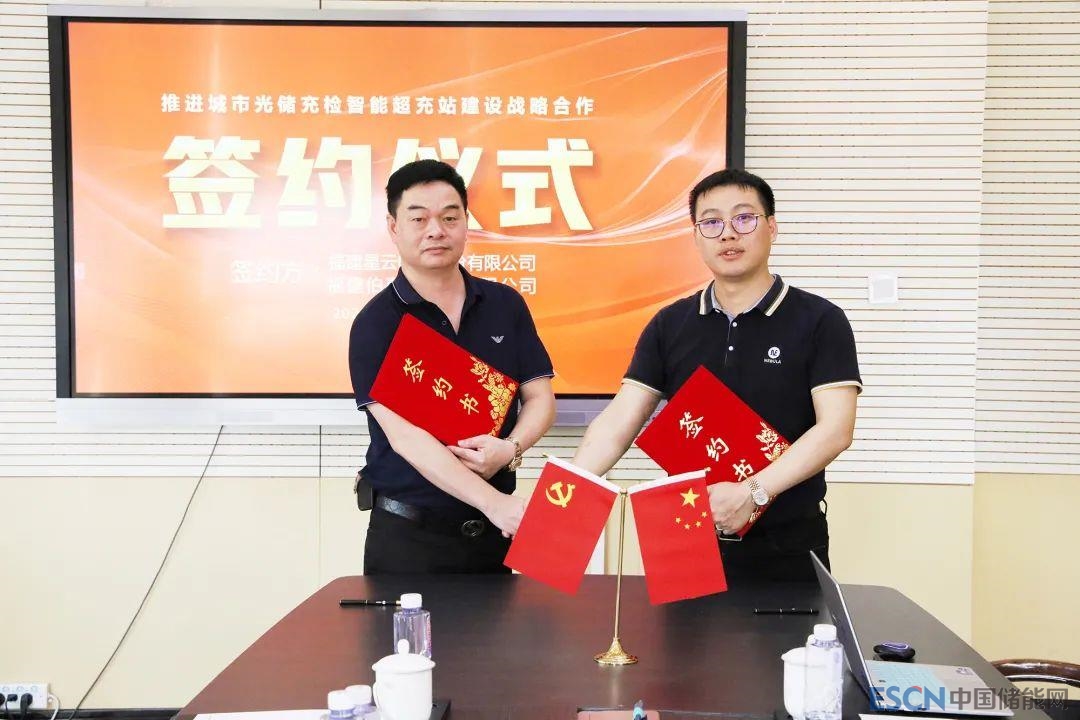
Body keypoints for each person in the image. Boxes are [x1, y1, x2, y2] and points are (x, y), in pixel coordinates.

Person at [572, 168, 861, 582]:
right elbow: (619, 422)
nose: (728, 234)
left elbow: (835, 430)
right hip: (686, 535)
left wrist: (752, 492)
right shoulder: (670, 324)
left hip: (786, 542)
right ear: (696, 237)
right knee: (675, 630)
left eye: (744, 218)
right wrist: (564, 493)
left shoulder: (820, 320)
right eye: (711, 222)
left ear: (772, 227)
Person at [348, 159, 556, 574]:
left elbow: (540, 398)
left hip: (493, 536)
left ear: (465, 222)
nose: (436, 231)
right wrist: (494, 503)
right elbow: (406, 438)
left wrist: (511, 448)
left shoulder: (504, 304)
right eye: (418, 218)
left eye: (449, 217)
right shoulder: (377, 323)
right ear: (394, 227)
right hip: (409, 538)